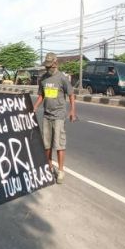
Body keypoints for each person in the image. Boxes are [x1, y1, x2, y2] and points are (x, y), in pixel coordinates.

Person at [32, 53, 77, 184]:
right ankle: (49, 166)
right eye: (46, 66)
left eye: (50, 66)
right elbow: (41, 95)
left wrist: (72, 111)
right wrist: (34, 107)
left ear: (55, 64)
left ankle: (61, 170)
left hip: (59, 115)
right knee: (46, 145)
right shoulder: (43, 79)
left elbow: (71, 94)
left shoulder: (62, 78)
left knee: (59, 144)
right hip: (47, 115)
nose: (48, 69)